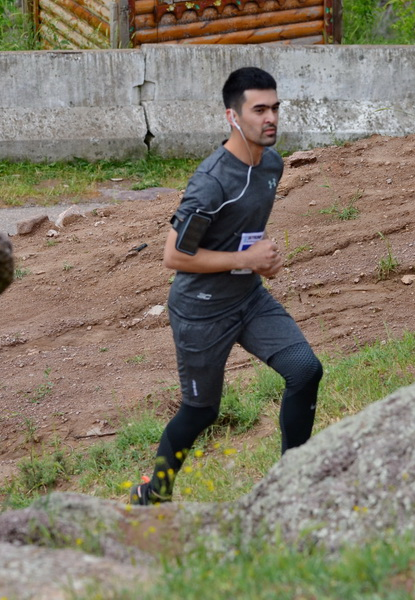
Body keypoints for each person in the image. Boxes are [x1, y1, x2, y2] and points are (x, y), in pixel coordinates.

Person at [130, 67, 323, 505]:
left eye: (274, 107)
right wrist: (246, 260)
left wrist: (260, 263)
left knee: (305, 370)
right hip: (200, 311)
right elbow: (174, 256)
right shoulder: (212, 182)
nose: (270, 118)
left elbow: (244, 234)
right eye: (259, 110)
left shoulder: (272, 164)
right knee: (201, 411)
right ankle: (152, 493)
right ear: (233, 118)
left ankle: (292, 485)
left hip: (248, 298)